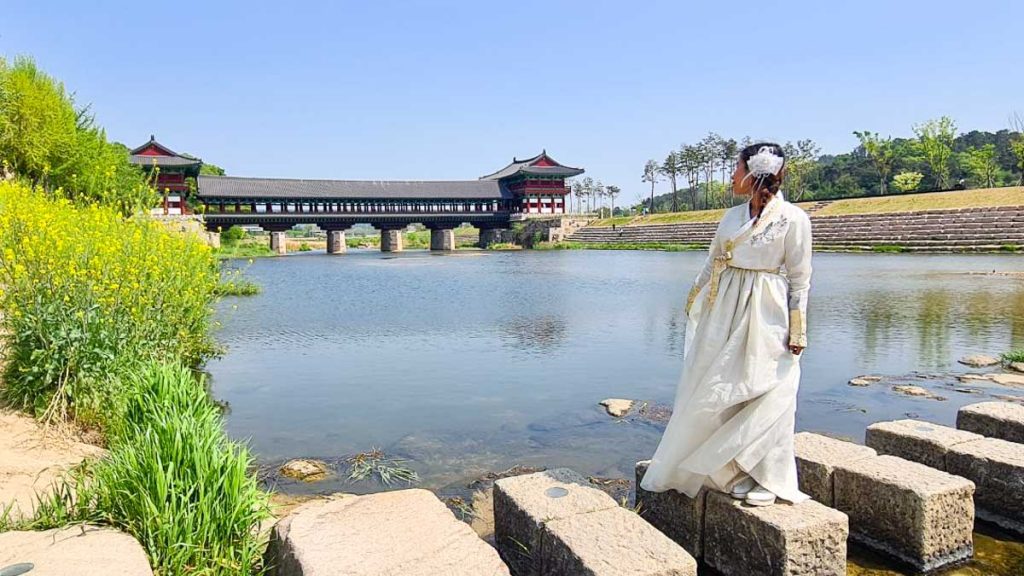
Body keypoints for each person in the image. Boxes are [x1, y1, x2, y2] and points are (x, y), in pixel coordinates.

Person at [639, 143, 812, 507]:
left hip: (767, 309)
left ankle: (772, 476)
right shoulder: (732, 217)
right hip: (726, 308)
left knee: (769, 388)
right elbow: (711, 262)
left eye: (736, 170)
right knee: (725, 390)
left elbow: (800, 279)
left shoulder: (793, 219)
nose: (732, 177)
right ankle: (736, 469)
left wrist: (797, 328)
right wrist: (694, 301)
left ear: (755, 174)